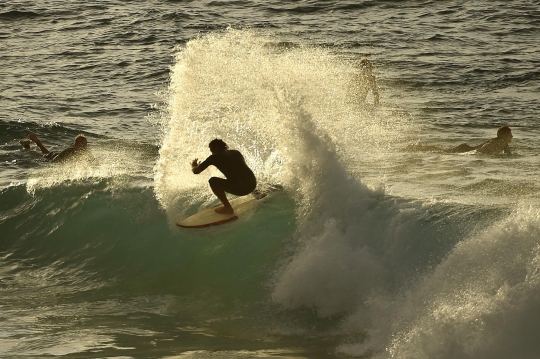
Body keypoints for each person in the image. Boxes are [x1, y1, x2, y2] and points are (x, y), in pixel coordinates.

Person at [191, 139, 257, 214]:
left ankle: (227, 208)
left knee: (212, 181)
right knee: (239, 172)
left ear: (215, 148)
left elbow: (196, 171)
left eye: (211, 149)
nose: (211, 152)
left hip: (241, 189)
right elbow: (239, 170)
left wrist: (194, 166)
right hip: (253, 184)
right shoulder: (236, 152)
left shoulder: (214, 157)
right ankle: (256, 192)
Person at [404, 125, 514, 155]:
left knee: (443, 151)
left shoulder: (503, 143)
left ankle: (418, 147)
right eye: (510, 134)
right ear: (504, 136)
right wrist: (472, 155)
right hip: (465, 150)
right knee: (442, 151)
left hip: (466, 148)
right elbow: (481, 150)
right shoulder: (499, 142)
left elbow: (508, 155)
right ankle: (418, 148)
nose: (512, 136)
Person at [20, 133, 89, 162]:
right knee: (39, 156)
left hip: (56, 153)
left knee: (46, 152)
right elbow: (54, 161)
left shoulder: (87, 154)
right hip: (53, 156)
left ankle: (37, 142)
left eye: (84, 145)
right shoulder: (69, 151)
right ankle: (27, 147)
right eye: (80, 145)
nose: (83, 147)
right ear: (75, 146)